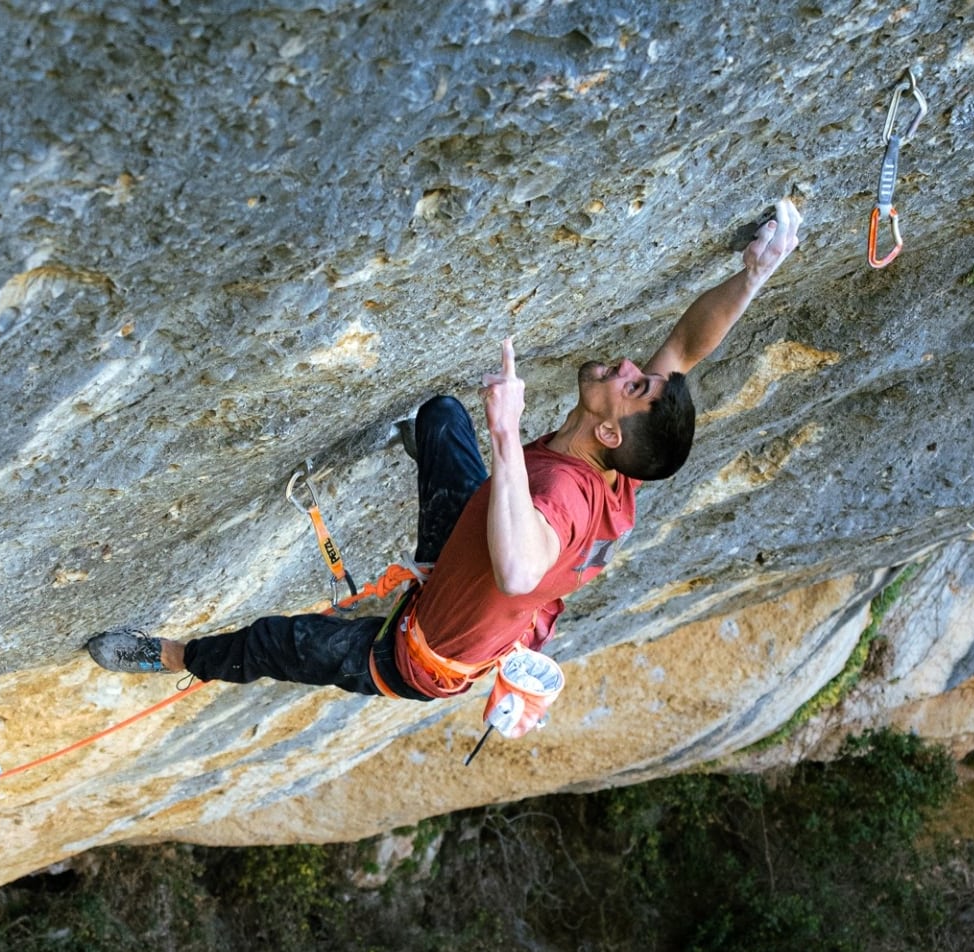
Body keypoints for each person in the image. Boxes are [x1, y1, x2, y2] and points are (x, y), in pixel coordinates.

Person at [87, 199, 803, 703]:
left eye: (632, 384)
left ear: (611, 432)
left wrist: (506, 431)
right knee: (438, 419)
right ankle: (438, 482)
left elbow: (522, 568)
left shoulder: (559, 495)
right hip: (471, 540)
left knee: (279, 642)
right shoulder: (623, 467)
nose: (625, 366)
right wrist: (755, 274)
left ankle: (175, 657)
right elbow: (683, 348)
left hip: (419, 655)